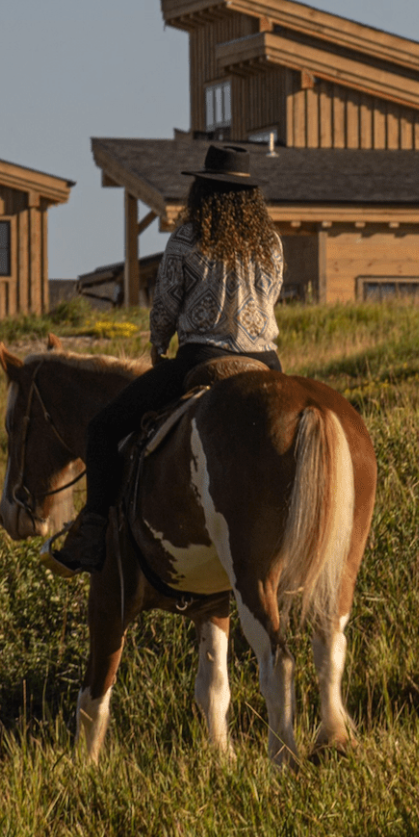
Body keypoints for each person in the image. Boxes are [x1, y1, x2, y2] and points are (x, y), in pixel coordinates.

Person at [39, 144, 286, 576]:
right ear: (250, 198)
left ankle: (93, 529)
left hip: (203, 356)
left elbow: (166, 303)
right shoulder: (270, 243)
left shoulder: (189, 237)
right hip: (267, 362)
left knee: (102, 429)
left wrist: (158, 344)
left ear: (203, 191)